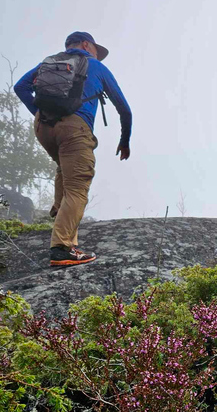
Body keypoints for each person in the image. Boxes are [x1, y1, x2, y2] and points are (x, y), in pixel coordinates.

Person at [14, 31, 132, 266]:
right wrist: (124, 140)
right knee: (78, 186)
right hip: (74, 129)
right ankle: (61, 248)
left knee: (64, 169)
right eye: (96, 51)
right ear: (87, 45)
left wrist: (41, 115)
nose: (97, 55)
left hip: (44, 127)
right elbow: (124, 109)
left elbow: (20, 87)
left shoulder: (48, 63)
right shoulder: (95, 66)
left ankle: (61, 216)